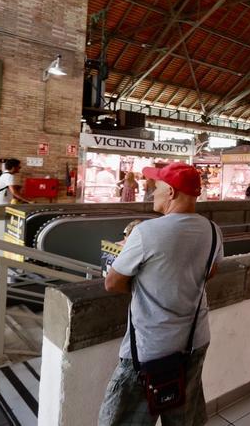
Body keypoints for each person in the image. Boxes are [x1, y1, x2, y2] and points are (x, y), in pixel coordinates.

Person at [99, 162, 223, 425]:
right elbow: (209, 273)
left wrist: (143, 286)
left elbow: (112, 283)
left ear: (172, 192)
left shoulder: (146, 232)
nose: (151, 192)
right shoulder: (213, 231)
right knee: (182, 417)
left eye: (155, 187)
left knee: (124, 418)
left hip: (150, 348)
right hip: (194, 341)